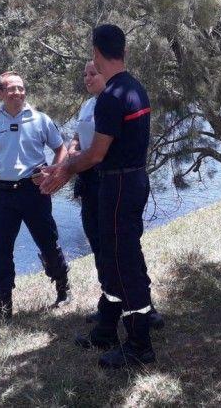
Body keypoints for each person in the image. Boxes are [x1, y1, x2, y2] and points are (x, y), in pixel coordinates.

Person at [40, 24, 156, 368]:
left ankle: (139, 344)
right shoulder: (136, 88)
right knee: (112, 256)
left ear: (96, 52)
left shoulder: (111, 97)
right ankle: (107, 328)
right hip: (132, 181)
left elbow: (95, 155)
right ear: (122, 50)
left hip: (118, 186)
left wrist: (62, 170)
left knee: (122, 261)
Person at [0, 71, 70, 323]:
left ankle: (63, 288)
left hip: (35, 192)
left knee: (48, 241)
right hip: (1, 195)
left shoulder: (41, 119)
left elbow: (60, 148)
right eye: (11, 89)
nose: (17, 93)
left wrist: (51, 172)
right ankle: (4, 302)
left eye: (21, 88)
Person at [71, 61, 164, 329]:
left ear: (106, 74)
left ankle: (145, 309)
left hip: (111, 180)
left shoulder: (115, 101)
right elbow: (79, 137)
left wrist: (66, 168)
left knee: (125, 247)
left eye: (94, 73)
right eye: (85, 74)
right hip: (90, 182)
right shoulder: (88, 106)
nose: (88, 78)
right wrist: (71, 151)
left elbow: (101, 151)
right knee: (100, 246)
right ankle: (109, 306)